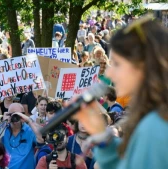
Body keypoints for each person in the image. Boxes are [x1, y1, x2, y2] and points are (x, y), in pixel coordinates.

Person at [72, 17, 168, 169]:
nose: (109, 73)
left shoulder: (155, 126)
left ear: (142, 66)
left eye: (117, 64)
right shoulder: (150, 117)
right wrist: (104, 139)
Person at [2, 103, 44, 169]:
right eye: (12, 114)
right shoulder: (3, 130)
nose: (15, 117)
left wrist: (29, 121)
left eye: (18, 114)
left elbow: (41, 139)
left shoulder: (30, 130)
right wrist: (3, 123)